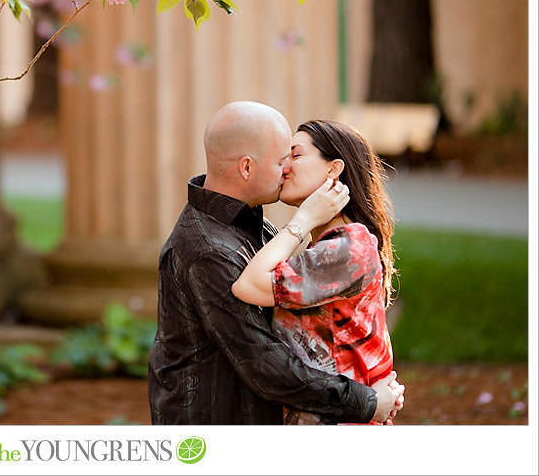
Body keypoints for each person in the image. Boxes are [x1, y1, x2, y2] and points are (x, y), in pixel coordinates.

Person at [147, 101, 403, 424]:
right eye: (284, 159)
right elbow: (264, 363)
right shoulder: (208, 249)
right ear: (247, 168)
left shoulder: (253, 226)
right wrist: (366, 400)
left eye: (294, 157)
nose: (287, 169)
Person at [231, 119, 398, 424]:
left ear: (333, 169)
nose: (285, 167)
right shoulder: (336, 245)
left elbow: (248, 286)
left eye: (295, 155)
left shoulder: (348, 249)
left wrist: (304, 218)